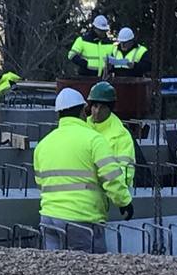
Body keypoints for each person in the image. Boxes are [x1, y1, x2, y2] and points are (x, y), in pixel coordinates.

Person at [33, 87, 134, 253]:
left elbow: (41, 183)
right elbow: (112, 177)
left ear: (58, 114)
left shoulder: (43, 144)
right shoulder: (94, 140)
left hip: (48, 217)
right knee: (90, 273)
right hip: (81, 219)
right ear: (82, 111)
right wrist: (124, 201)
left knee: (53, 271)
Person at [85, 81, 136, 190]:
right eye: (95, 106)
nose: (97, 111)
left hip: (111, 195)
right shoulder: (82, 127)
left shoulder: (121, 135)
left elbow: (126, 174)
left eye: (102, 107)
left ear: (110, 108)